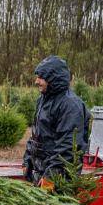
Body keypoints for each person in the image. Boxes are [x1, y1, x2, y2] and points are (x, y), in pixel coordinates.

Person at [23, 55, 90, 186]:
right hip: (40, 173)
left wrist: (52, 176)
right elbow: (36, 135)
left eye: (41, 77)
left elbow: (68, 147)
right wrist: (27, 161)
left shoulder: (70, 105)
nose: (37, 81)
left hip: (59, 178)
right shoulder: (42, 100)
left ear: (53, 79)